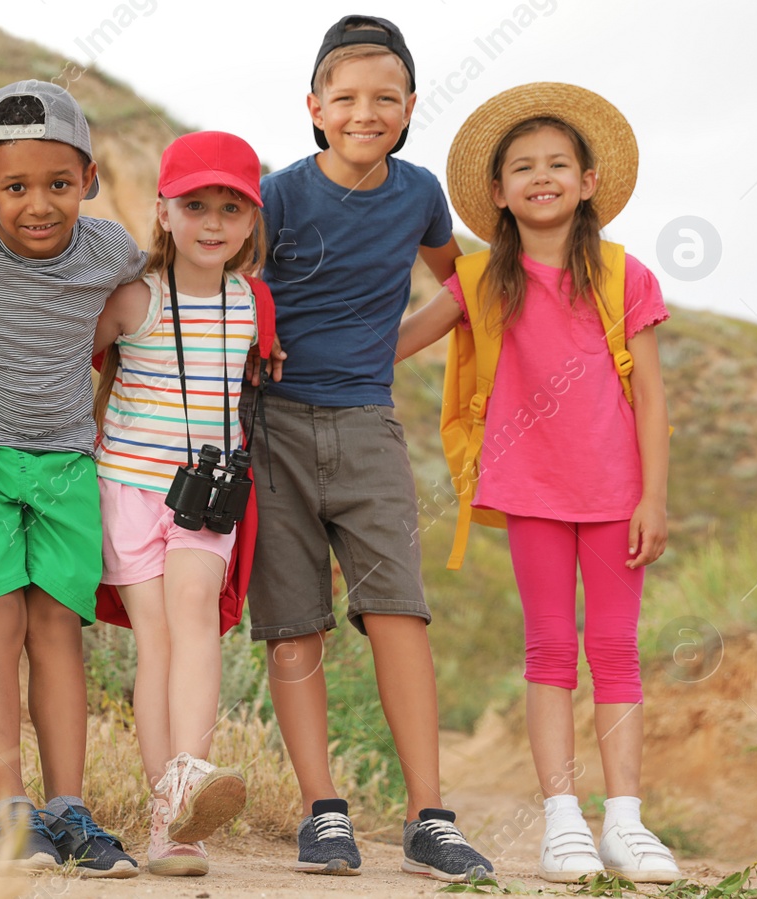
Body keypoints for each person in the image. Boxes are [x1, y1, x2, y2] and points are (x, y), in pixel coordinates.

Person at [395, 82, 678, 884]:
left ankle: (626, 820)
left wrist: (654, 497)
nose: (541, 176)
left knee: (616, 651)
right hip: (531, 492)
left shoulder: (627, 277)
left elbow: (652, 398)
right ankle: (564, 823)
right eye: (522, 167)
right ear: (497, 193)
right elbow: (392, 344)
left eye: (558, 163)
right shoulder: (482, 280)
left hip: (619, 493)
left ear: (589, 181)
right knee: (551, 650)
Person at [246, 15, 495, 880]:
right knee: (294, 623)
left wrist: (388, 347)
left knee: (399, 612)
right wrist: (266, 335)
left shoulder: (421, 193)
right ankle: (324, 812)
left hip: (367, 425)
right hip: (270, 425)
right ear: (314, 107)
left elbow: (463, 287)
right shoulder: (277, 193)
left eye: (385, 98)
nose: (365, 112)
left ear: (411, 106)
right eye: (345, 98)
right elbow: (238, 287)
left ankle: (430, 814)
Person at [0, 80, 144, 876]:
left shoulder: (112, 248)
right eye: (15, 187)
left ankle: (68, 807)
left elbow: (155, 295)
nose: (37, 204)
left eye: (58, 183)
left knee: (56, 627)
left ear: (88, 175)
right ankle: (7, 805)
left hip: (68, 461)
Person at [91, 131, 280, 877]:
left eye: (230, 208)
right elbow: (76, 363)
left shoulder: (254, 302)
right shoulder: (133, 295)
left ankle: (182, 808)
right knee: (159, 642)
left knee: (197, 618)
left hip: (212, 494)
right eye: (194, 204)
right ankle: (165, 817)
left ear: (251, 222)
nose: (212, 222)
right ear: (162, 211)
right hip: (129, 485)